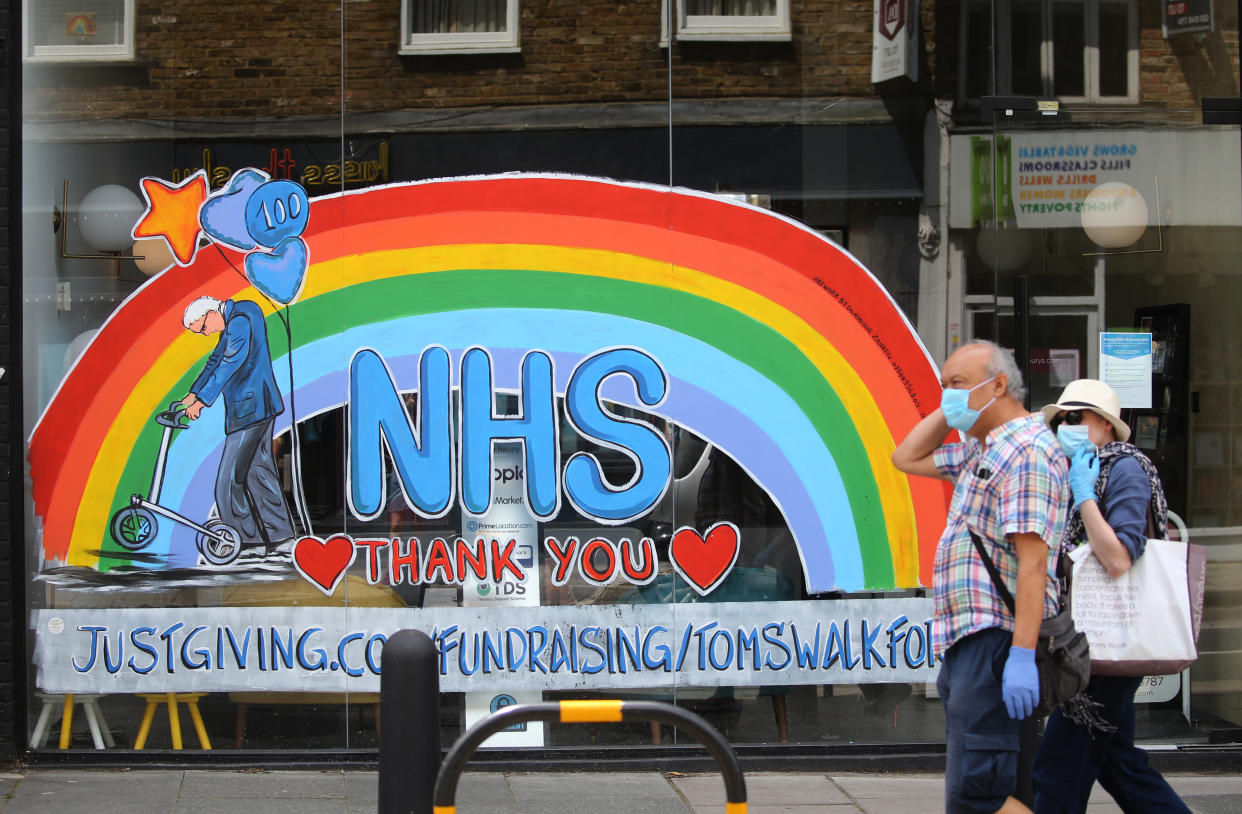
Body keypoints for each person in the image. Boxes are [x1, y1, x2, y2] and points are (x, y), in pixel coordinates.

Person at [892, 340, 1069, 814]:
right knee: (983, 787)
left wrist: (1022, 656)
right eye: (944, 385)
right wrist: (952, 408)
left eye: (958, 384)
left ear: (999, 385)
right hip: (969, 642)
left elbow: (1032, 566)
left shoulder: (1027, 452)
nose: (948, 395)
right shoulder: (981, 449)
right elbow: (905, 457)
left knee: (981, 794)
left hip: (996, 641)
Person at [1031, 379, 1191, 814]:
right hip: (1091, 642)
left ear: (1105, 424)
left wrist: (1085, 497)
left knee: (1057, 771)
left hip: (1107, 643)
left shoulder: (1124, 469)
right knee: (1120, 765)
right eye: (1061, 418)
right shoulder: (1082, 469)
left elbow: (1120, 558)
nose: (1066, 424)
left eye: (1076, 416)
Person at [181, 295, 296, 559]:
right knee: (259, 473)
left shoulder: (240, 320)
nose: (204, 333)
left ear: (210, 314)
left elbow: (230, 361)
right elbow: (215, 360)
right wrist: (193, 393)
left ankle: (245, 542)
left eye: (201, 327)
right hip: (258, 406)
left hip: (250, 408)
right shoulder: (236, 317)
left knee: (228, 480)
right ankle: (280, 538)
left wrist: (202, 402)